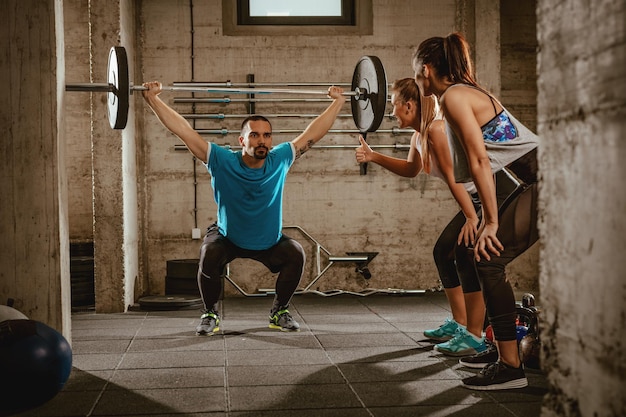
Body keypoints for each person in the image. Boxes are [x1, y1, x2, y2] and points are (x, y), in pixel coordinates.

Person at [142, 81, 347, 335]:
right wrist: (153, 99)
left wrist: (337, 103)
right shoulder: (221, 160)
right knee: (209, 252)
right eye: (255, 135)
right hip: (229, 237)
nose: (262, 141)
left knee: (296, 253)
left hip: (268, 241)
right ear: (242, 140)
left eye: (266, 135)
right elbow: (183, 130)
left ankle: (279, 310)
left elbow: (312, 133)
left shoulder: (281, 159)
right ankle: (210, 313)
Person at [355, 78, 519, 357]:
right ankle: (461, 323)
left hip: (495, 192)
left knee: (465, 252)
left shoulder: (436, 130)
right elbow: (410, 169)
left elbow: (456, 180)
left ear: (409, 105)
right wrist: (373, 157)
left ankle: (474, 336)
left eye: (394, 105)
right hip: (476, 197)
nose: (392, 112)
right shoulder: (419, 136)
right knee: (444, 252)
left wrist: (471, 218)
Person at [412, 32, 539, 390]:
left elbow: (480, 158)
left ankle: (511, 367)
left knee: (488, 258)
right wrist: (482, 217)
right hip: (530, 180)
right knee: (473, 252)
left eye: (417, 73)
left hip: (547, 180)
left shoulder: (454, 96)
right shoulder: (457, 95)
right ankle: (499, 346)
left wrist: (491, 221)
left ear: (426, 69)